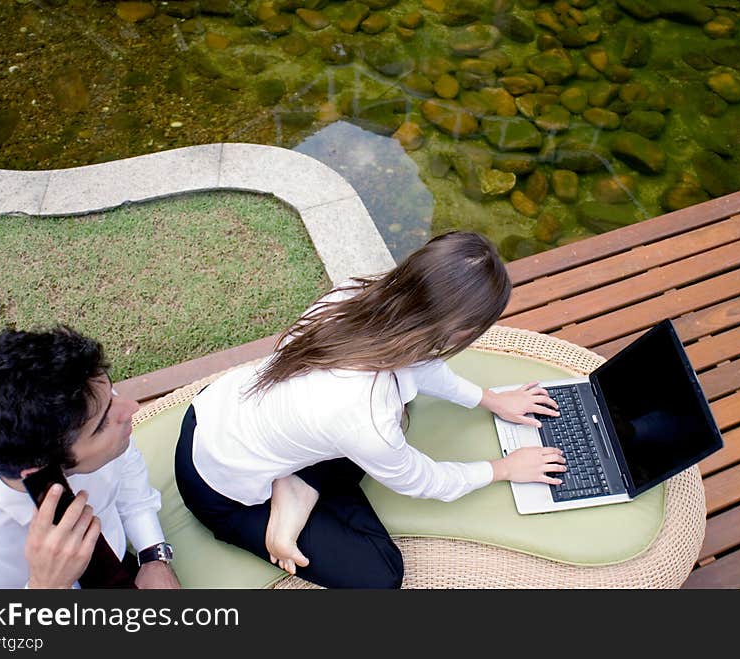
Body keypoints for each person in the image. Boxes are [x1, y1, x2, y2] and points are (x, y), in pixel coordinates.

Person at [175, 231, 565, 589]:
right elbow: (422, 480)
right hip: (219, 489)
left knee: (391, 416)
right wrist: (505, 468)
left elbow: (419, 362)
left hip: (211, 413)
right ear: (461, 333)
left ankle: (299, 484)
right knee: (380, 575)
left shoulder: (352, 295)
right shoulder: (369, 417)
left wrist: (490, 399)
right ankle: (294, 490)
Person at [0, 326, 180, 589]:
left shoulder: (85, 402)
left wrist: (153, 555)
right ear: (37, 468)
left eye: (111, 393)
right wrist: (47, 587)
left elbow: (127, 466)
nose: (131, 408)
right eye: (101, 424)